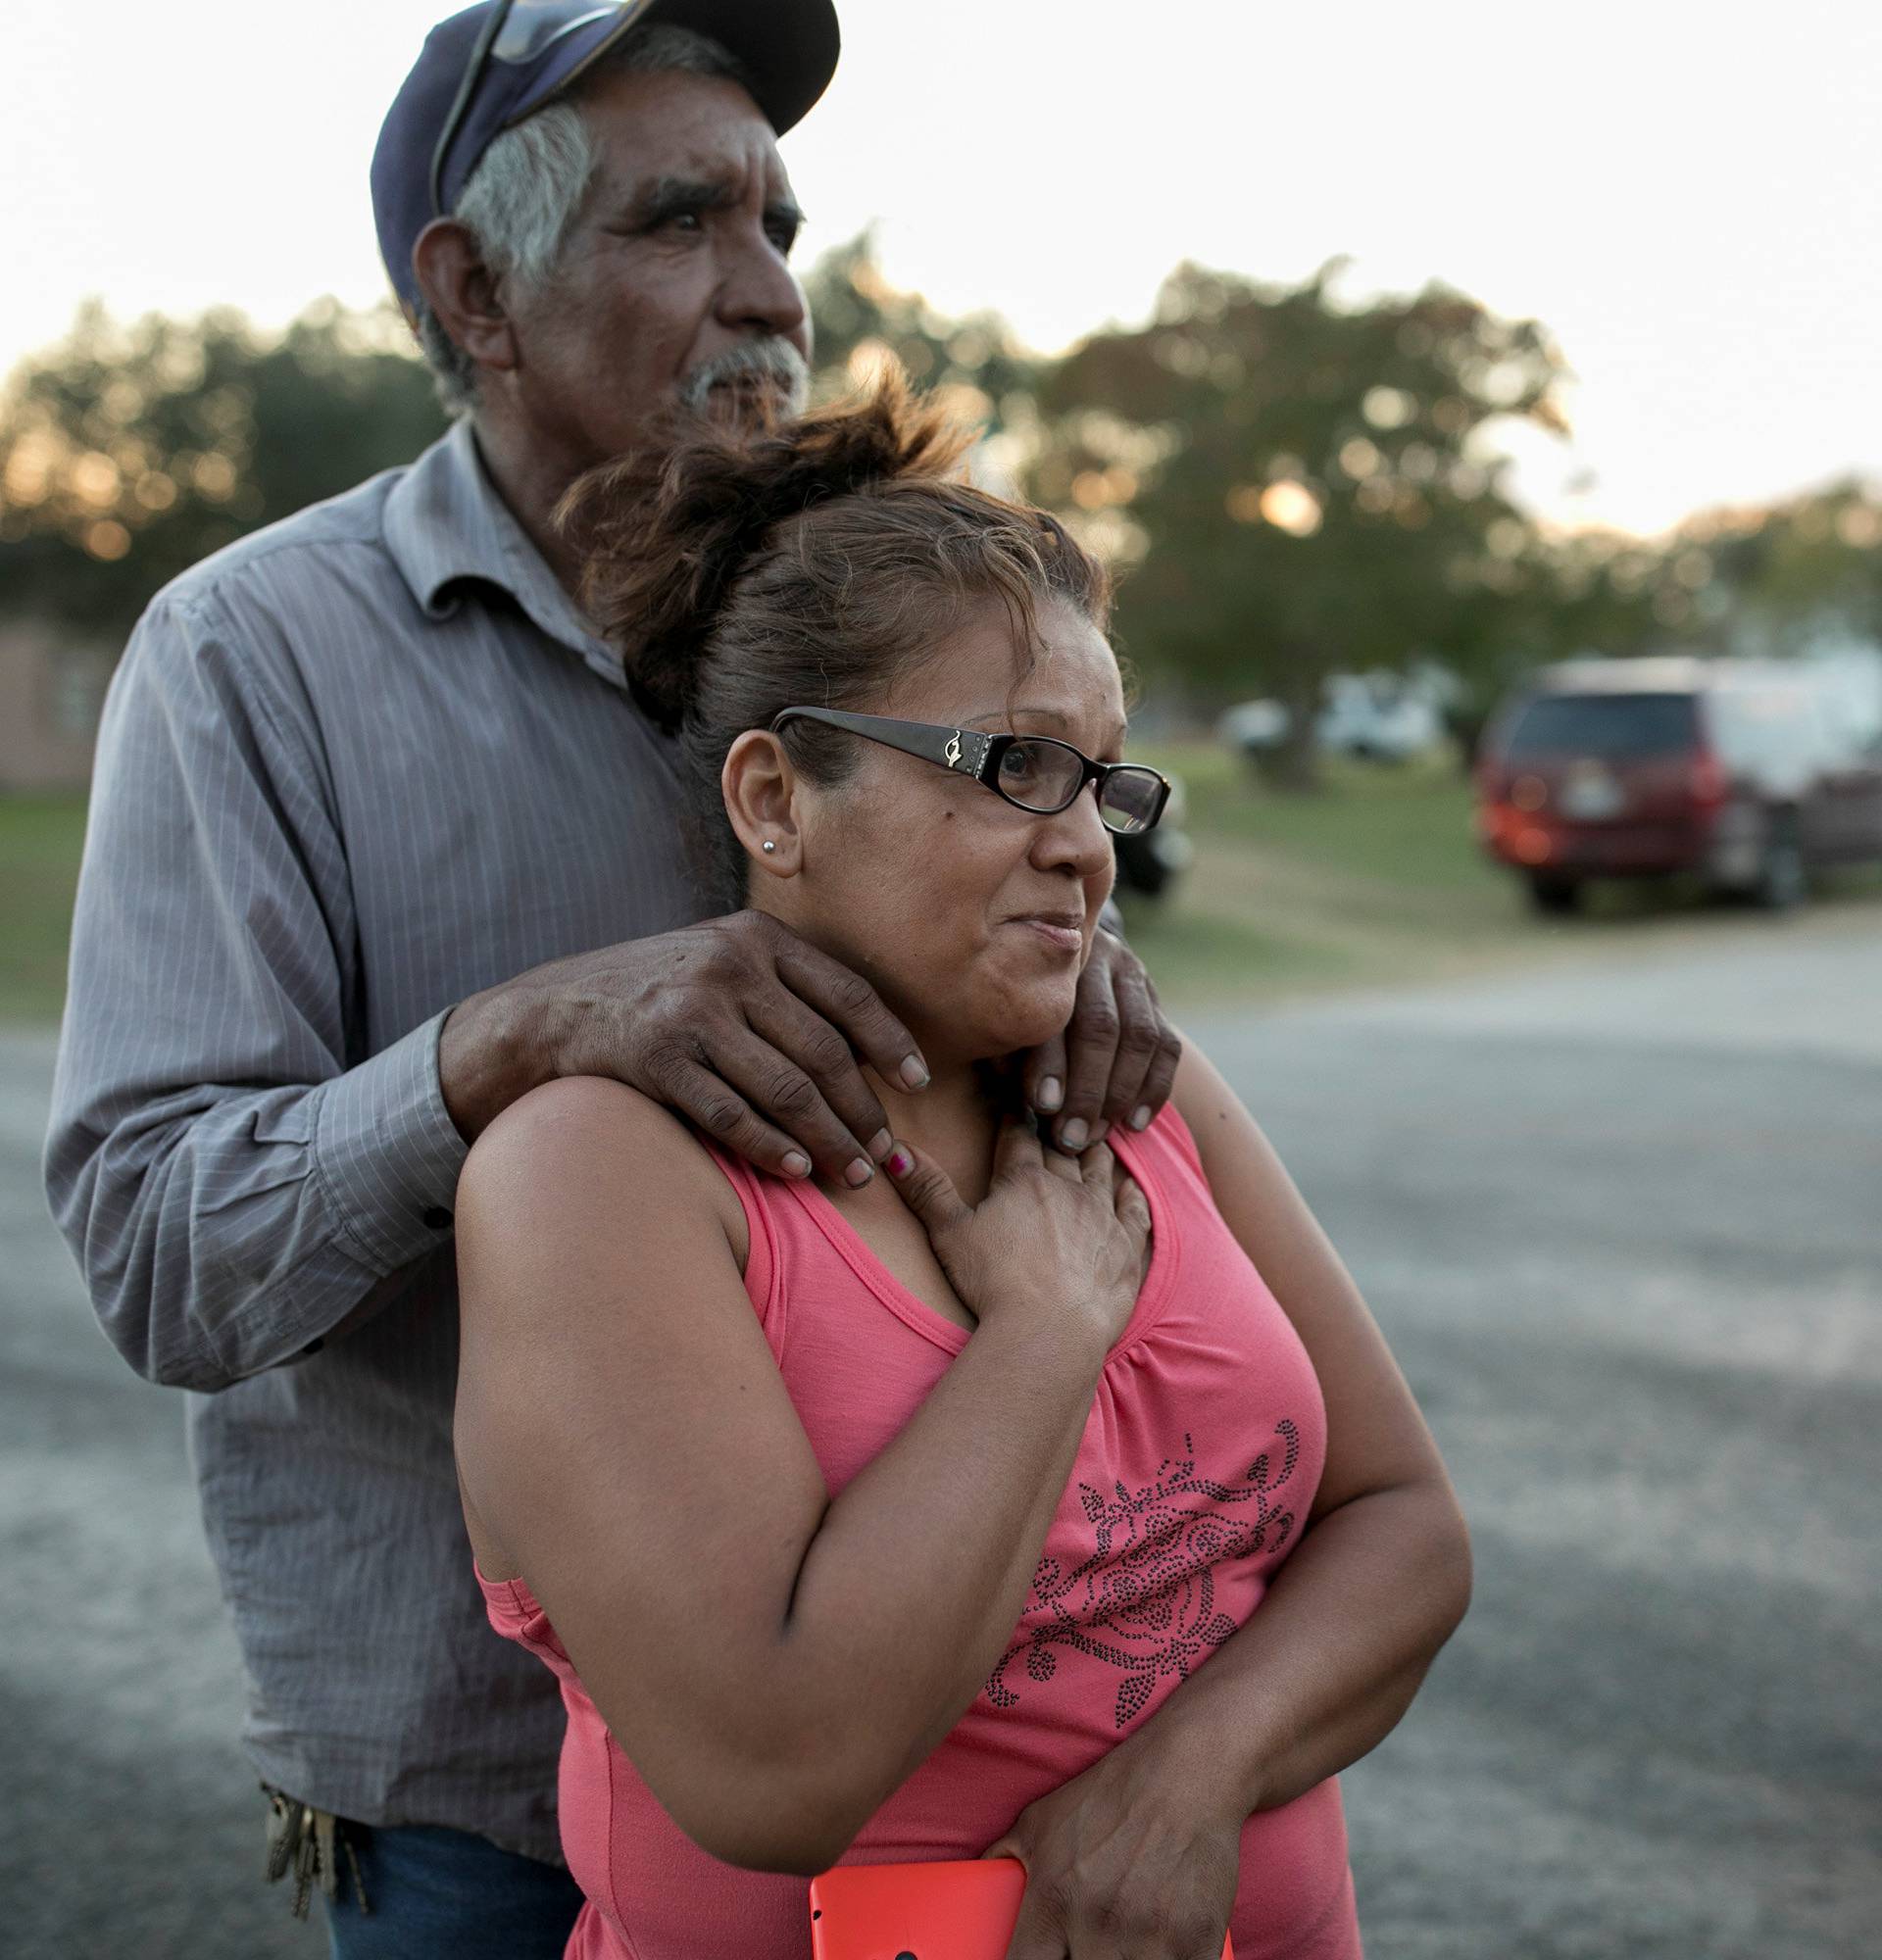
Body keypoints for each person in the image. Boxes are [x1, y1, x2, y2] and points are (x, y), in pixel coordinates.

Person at [41, 4, 1178, 1952]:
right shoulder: (249, 660)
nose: (767, 300)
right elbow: (160, 1249)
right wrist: (507, 1044)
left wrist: (1079, 980)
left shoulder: (871, 624)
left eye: (780, 229)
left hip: (976, 1743)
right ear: (474, 290)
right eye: (681, 226)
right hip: (489, 1809)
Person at [450, 374, 1473, 1960]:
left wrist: (1190, 1780)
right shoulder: (598, 1176)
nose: (1085, 844)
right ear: (779, 799)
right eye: (1016, 768)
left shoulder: (1146, 1093)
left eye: (1110, 782)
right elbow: (771, 1769)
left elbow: (1405, 1527)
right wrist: (1045, 1333)